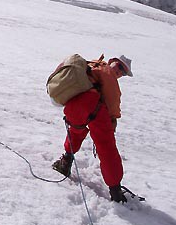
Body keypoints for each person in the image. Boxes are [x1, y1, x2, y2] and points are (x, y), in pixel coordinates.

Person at [52, 55, 133, 203]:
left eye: (123, 72)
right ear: (112, 62)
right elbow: (113, 104)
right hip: (93, 107)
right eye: (120, 67)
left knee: (75, 132)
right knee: (107, 147)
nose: (120, 72)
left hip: (72, 105)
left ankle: (65, 162)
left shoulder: (91, 66)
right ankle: (115, 191)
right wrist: (112, 122)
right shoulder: (107, 73)